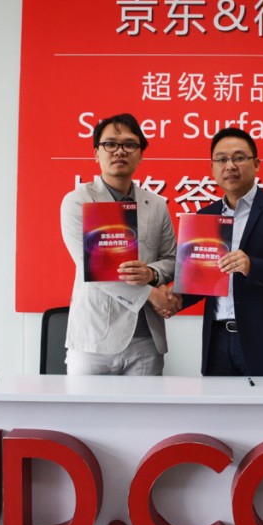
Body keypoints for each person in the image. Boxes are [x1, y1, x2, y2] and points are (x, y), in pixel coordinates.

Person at [176, 128, 263, 376]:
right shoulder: (205, 217)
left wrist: (252, 266)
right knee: (217, 403)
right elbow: (200, 282)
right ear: (212, 167)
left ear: (256, 164)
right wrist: (173, 298)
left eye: (239, 158)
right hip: (217, 343)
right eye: (221, 159)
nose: (230, 166)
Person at [59, 113, 179, 375]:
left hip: (146, 341)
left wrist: (152, 273)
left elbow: (172, 259)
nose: (120, 151)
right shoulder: (79, 201)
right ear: (96, 153)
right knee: (85, 405)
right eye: (110, 144)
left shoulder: (156, 205)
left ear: (140, 155)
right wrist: (152, 293)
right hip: (94, 339)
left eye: (129, 144)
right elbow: (92, 266)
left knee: (145, 405)